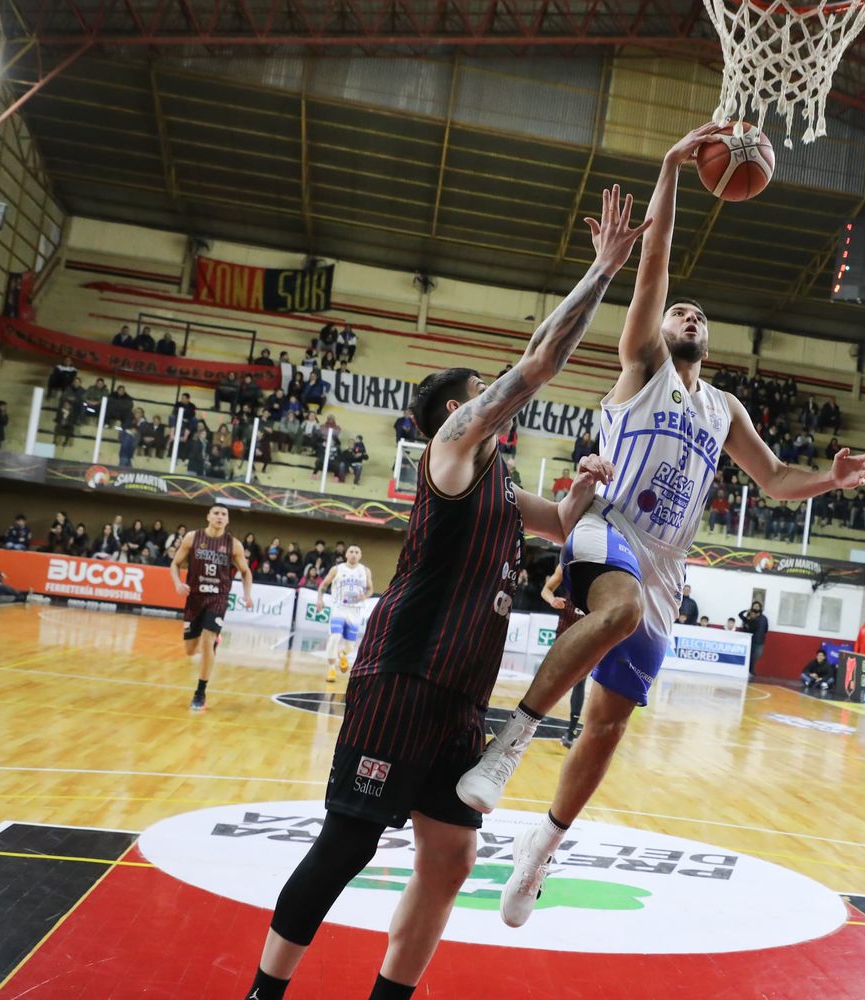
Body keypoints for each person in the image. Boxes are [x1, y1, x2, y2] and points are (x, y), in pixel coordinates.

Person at [452, 124, 865, 930]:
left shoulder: (726, 409)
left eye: (696, 313)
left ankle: (540, 848)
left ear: (708, 341)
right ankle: (510, 745)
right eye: (678, 308)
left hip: (667, 567)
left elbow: (777, 480)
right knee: (615, 611)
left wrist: (832, 476)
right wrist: (673, 166)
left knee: (609, 725)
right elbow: (656, 261)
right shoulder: (642, 365)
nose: (685, 311)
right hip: (603, 526)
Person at [241, 184, 644, 1000]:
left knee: (451, 860)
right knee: (346, 844)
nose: (499, 401)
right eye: (480, 393)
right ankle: (264, 994)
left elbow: (562, 518)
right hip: (405, 677)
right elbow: (539, 363)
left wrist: (588, 485)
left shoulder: (498, 482)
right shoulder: (451, 455)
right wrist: (602, 272)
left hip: (462, 696)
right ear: (461, 411)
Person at [171, 504, 254, 713]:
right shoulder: (192, 538)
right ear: (208, 516)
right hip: (195, 598)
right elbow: (175, 564)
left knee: (207, 641)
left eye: (224, 514)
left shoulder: (233, 544)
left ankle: (200, 692)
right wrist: (177, 583)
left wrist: (247, 594)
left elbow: (245, 572)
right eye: (216, 513)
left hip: (217, 598)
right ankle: (213, 640)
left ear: (228, 520)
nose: (219, 517)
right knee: (190, 651)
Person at [541, 563, 588, 748]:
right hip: (566, 626)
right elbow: (546, 590)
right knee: (550, 677)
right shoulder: (566, 565)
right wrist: (552, 600)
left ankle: (571, 730)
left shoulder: (604, 565)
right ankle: (531, 718)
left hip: (587, 628)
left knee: (580, 682)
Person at [315, 544, 374, 684]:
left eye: (357, 552)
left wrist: (365, 596)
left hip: (354, 611)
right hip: (339, 608)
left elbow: (371, 589)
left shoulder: (365, 571)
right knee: (334, 637)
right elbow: (323, 585)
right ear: (346, 554)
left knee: (350, 646)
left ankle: (343, 654)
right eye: (351, 551)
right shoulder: (337, 569)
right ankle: (331, 668)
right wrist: (319, 599)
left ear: (360, 556)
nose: (354, 554)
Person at [739, 600, 770, 675]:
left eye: (757, 606)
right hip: (749, 640)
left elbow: (766, 629)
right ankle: (749, 670)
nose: (756, 607)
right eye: (754, 606)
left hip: (759, 641)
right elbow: (743, 623)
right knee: (749, 656)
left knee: (757, 655)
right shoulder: (749, 617)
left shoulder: (764, 618)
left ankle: (751, 669)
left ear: (760, 608)